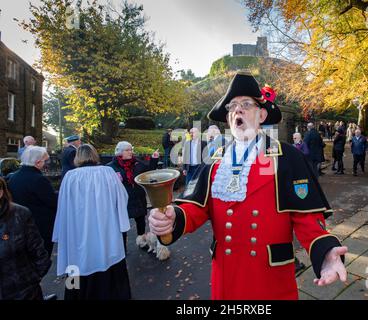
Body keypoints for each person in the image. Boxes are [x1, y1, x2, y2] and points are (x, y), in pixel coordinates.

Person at [149, 72, 347, 300]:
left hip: (270, 277)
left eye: (245, 104)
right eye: (232, 106)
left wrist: (326, 252)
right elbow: (197, 207)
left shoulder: (287, 157)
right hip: (225, 273)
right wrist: (174, 216)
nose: (237, 110)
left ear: (262, 114)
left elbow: (307, 219)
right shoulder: (214, 160)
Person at [53, 144, 131, 300]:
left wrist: (63, 230)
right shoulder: (107, 173)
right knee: (108, 255)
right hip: (105, 228)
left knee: (74, 263)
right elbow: (122, 197)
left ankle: (74, 295)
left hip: (77, 231)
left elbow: (63, 206)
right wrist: (120, 220)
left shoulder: (70, 177)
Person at [0, 177, 51, 300]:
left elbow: (40, 254)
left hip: (24, 292)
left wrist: (30, 281)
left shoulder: (19, 214)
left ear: (1, 192)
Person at [107, 141, 159, 251]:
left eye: (131, 149)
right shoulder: (111, 167)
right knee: (122, 224)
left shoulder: (137, 163)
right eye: (127, 150)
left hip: (138, 198)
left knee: (140, 221)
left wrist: (154, 159)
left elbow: (149, 171)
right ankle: (122, 248)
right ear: (120, 152)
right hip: (122, 200)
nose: (130, 152)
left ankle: (142, 241)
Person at [7, 146, 58, 257]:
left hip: (19, 226)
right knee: (40, 261)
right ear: (38, 162)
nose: (47, 163)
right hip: (39, 228)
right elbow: (53, 202)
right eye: (46, 160)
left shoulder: (14, 177)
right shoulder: (38, 179)